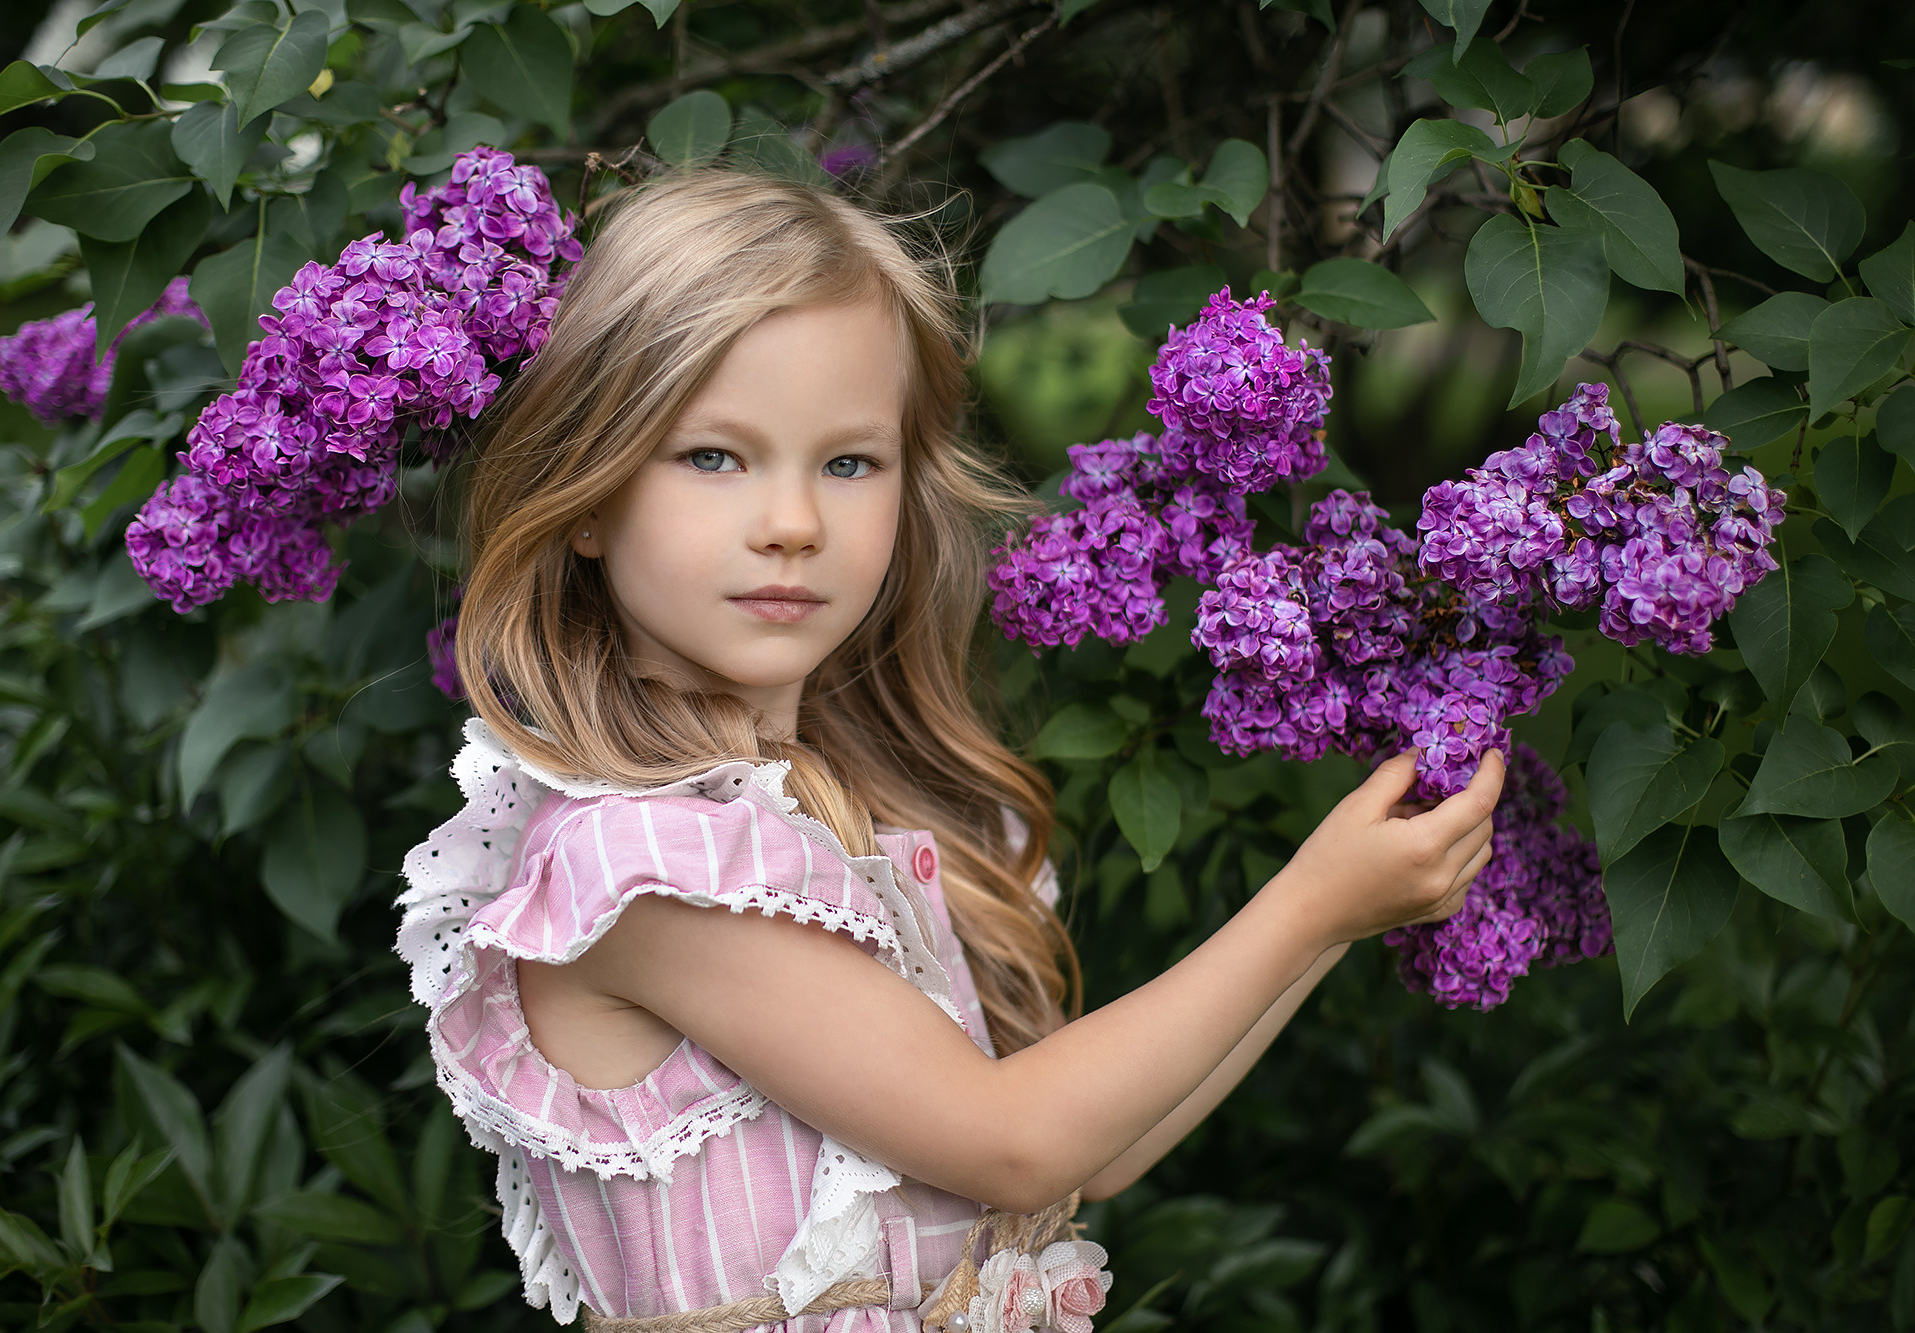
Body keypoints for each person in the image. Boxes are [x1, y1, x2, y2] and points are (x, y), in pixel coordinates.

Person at [395, 169, 1503, 1333]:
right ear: (586, 491)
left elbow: (1088, 1150)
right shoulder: (647, 866)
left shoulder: (815, 828)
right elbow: (1014, 1143)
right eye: (711, 456)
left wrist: (1337, 912)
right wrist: (1309, 906)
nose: (791, 521)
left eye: (847, 462)